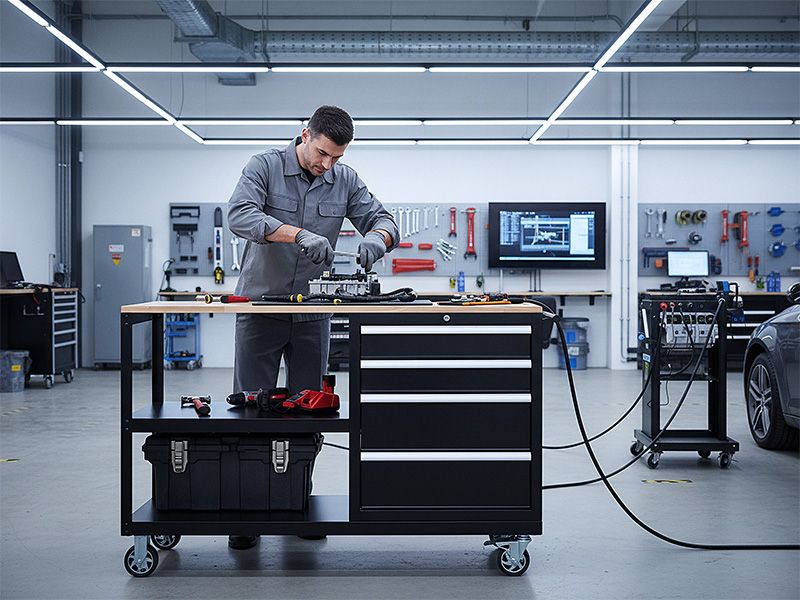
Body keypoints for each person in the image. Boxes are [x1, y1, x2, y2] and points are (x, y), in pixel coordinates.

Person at [226, 105, 398, 550]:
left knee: (309, 411)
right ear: (305, 135)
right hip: (261, 307)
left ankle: (295, 502)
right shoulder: (264, 166)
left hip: (313, 313)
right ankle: (246, 513)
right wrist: (296, 233)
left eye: (336, 157)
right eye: (322, 153)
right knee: (252, 409)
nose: (328, 164)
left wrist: (376, 240)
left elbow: (384, 221)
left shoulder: (345, 179)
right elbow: (239, 215)